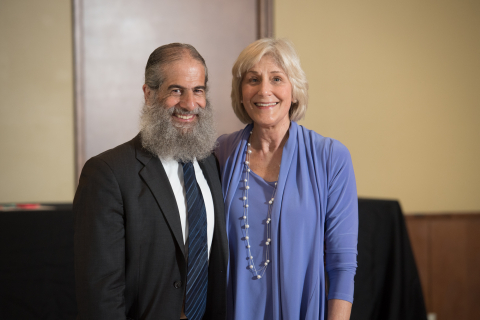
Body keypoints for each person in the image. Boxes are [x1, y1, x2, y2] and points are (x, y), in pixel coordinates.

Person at [74, 43, 228, 320]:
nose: (190, 104)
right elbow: (100, 294)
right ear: (149, 93)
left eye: (198, 90)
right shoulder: (107, 173)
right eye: (176, 90)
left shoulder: (210, 163)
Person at [215, 38, 358, 320]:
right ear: (241, 93)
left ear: (295, 92)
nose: (264, 90)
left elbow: (342, 264)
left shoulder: (330, 157)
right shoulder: (221, 153)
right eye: (253, 79)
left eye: (277, 78)